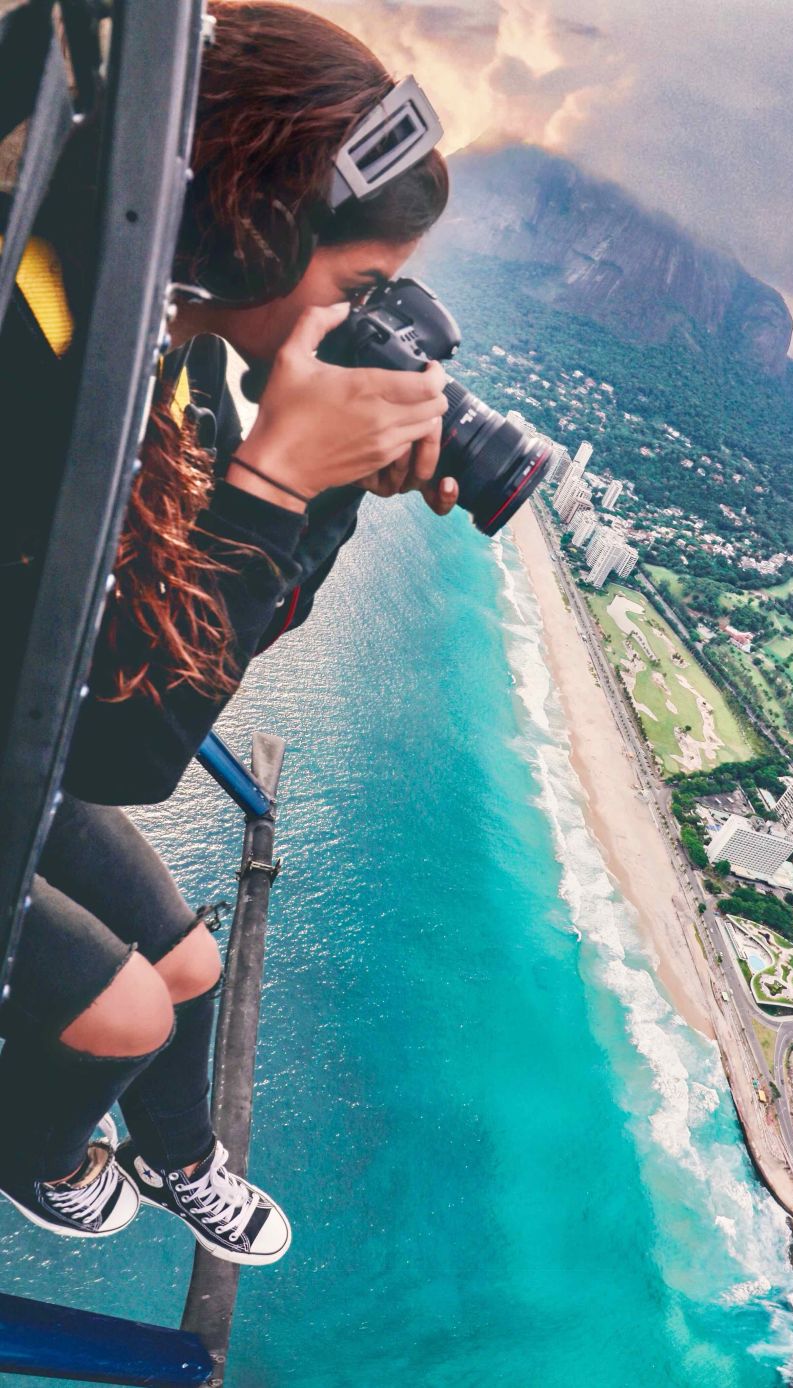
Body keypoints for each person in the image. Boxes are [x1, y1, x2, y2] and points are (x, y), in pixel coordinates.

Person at [0, 0, 452, 1264]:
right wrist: (275, 482)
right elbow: (118, 752)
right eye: (359, 286)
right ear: (260, 234)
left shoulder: (169, 350)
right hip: (30, 747)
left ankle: (175, 1154)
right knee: (129, 1009)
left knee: (190, 969)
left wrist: (326, 488)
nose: (367, 320)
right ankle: (33, 1151)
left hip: (21, 748)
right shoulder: (35, 345)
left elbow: (193, 646)